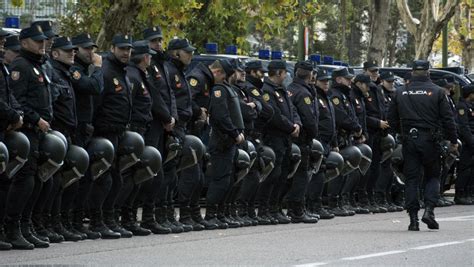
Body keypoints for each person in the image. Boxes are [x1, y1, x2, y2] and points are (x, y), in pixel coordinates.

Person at [387, 60, 458, 231]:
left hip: (409, 140)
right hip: (431, 140)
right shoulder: (438, 92)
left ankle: (413, 219)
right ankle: (429, 210)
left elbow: (391, 119)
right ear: (428, 72)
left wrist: (401, 133)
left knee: (411, 179)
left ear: (412, 72)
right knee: (433, 176)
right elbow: (448, 119)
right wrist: (453, 140)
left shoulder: (400, 92)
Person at [6, 25, 52, 249]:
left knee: (36, 181)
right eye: (37, 41)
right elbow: (18, 101)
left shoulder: (37, 65)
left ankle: (25, 226)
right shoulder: (21, 66)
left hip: (40, 131)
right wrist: (35, 120)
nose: (42, 44)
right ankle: (12, 228)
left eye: (43, 40)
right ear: (24, 43)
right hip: (26, 131)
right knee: (24, 181)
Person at [90, 34, 133, 239]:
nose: (126, 53)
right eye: (122, 48)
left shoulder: (120, 71)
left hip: (118, 131)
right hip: (104, 131)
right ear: (113, 48)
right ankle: (97, 221)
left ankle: (109, 218)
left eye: (129, 49)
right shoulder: (107, 71)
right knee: (104, 179)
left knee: (116, 179)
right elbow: (97, 103)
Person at [256, 60, 301, 224]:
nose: (286, 76)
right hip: (274, 137)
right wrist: (290, 127)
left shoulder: (282, 90)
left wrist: (297, 124)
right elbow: (274, 115)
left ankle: (275, 208)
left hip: (286, 137)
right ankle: (264, 209)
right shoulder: (267, 91)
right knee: (273, 174)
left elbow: (292, 110)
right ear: (278, 73)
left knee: (283, 174)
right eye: (284, 73)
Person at [69, 32, 104, 240]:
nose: (91, 52)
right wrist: (98, 68)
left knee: (87, 176)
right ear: (76, 50)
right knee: (77, 175)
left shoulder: (84, 70)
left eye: (92, 48)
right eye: (86, 48)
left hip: (86, 127)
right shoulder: (75, 71)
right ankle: (70, 220)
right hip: (77, 128)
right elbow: (94, 87)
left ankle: (77, 219)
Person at [203, 59, 245, 229]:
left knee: (227, 179)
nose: (237, 75)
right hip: (223, 141)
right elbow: (221, 116)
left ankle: (220, 214)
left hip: (230, 142)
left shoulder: (228, 89)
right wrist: (234, 133)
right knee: (220, 179)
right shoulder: (219, 90)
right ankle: (211, 215)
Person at [0, 28, 23, 251]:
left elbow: (10, 97)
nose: (2, 43)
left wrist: (18, 115)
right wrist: (14, 116)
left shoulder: (3, 68)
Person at [306, 68, 336, 220]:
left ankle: (317, 204)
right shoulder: (315, 96)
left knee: (322, 171)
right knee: (317, 171)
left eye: (327, 81)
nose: (326, 83)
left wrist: (335, 141)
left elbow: (331, 121)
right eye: (323, 81)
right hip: (318, 140)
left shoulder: (326, 97)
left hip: (327, 141)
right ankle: (313, 205)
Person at [454, 84, 474, 205]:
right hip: (467, 142)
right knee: (465, 168)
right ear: (470, 94)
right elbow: (464, 127)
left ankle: (469, 192)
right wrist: (471, 141)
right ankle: (460, 194)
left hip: (471, 140)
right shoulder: (462, 107)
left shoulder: (470, 106)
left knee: (471, 169)